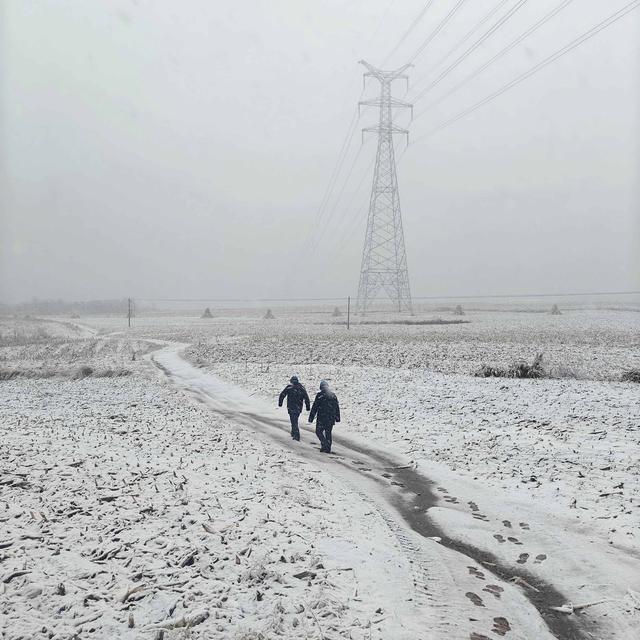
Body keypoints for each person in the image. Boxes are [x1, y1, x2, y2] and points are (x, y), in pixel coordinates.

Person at [308, 380, 341, 453]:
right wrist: (337, 417)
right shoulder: (333, 395)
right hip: (330, 418)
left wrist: (311, 418)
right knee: (328, 432)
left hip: (321, 418)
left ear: (321, 387)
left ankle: (324, 444)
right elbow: (336, 407)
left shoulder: (320, 395)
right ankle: (328, 447)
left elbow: (315, 407)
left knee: (318, 431)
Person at [278, 376, 310, 441]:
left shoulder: (289, 388)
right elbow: (306, 398)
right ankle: (293, 432)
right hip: (298, 407)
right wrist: (307, 407)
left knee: (293, 420)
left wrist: (280, 403)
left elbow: (282, 395)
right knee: (295, 420)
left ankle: (296, 435)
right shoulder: (301, 388)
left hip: (291, 406)